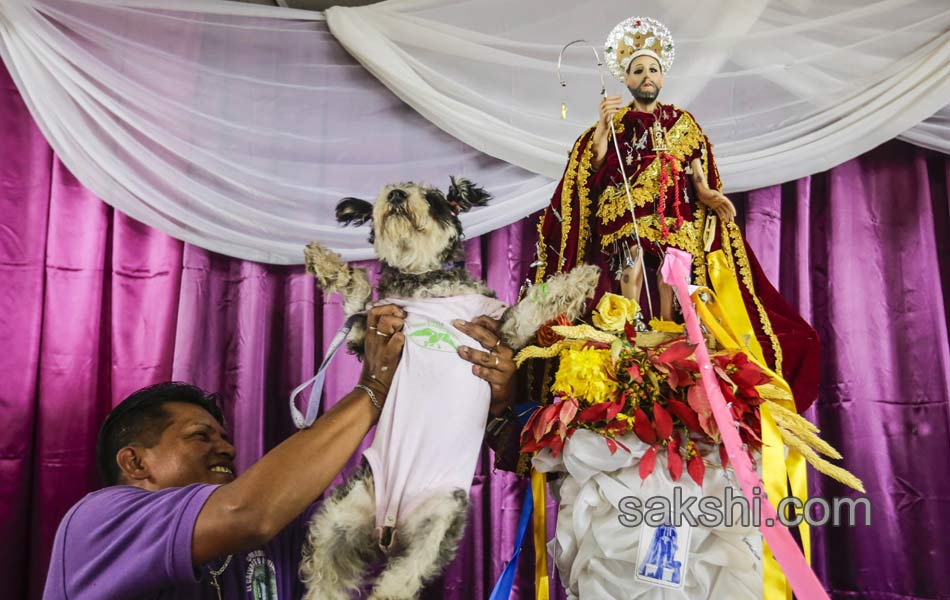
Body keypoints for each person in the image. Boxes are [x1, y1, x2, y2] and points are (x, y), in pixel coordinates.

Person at [43, 304, 517, 599]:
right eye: (200, 436)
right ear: (135, 462)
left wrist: (475, 400)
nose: (225, 445)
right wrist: (371, 390)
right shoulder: (97, 521)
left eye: (223, 435)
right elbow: (246, 512)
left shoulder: (277, 539)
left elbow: (392, 510)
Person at [530, 16, 819, 412]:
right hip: (625, 210)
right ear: (626, 80)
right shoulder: (615, 123)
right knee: (629, 269)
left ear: (662, 77)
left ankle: (667, 325)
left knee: (672, 271)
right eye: (638, 70)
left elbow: (696, 172)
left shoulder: (684, 124)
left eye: (652, 69)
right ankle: (629, 324)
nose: (646, 76)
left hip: (672, 213)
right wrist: (601, 126)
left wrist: (709, 194)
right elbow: (593, 166)